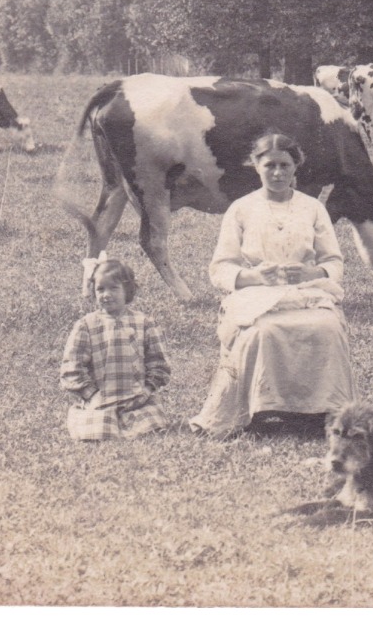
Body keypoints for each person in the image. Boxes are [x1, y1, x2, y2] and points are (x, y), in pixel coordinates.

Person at [190, 132, 357, 437]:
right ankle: (263, 409)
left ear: (296, 167)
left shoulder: (312, 208)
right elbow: (221, 267)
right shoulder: (241, 209)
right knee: (263, 332)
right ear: (256, 165)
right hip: (256, 294)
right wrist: (253, 277)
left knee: (327, 327)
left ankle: (319, 410)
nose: (278, 173)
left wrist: (312, 273)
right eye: (270, 165)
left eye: (285, 165)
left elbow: (334, 262)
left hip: (305, 293)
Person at [60, 256, 172, 440]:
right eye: (100, 289)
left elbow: (158, 362)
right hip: (101, 400)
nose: (106, 294)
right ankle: (102, 417)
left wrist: (147, 389)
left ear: (128, 290)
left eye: (114, 288)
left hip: (136, 398)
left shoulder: (144, 323)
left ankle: (133, 418)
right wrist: (91, 395)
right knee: (98, 430)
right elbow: (72, 367)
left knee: (152, 423)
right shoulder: (86, 325)